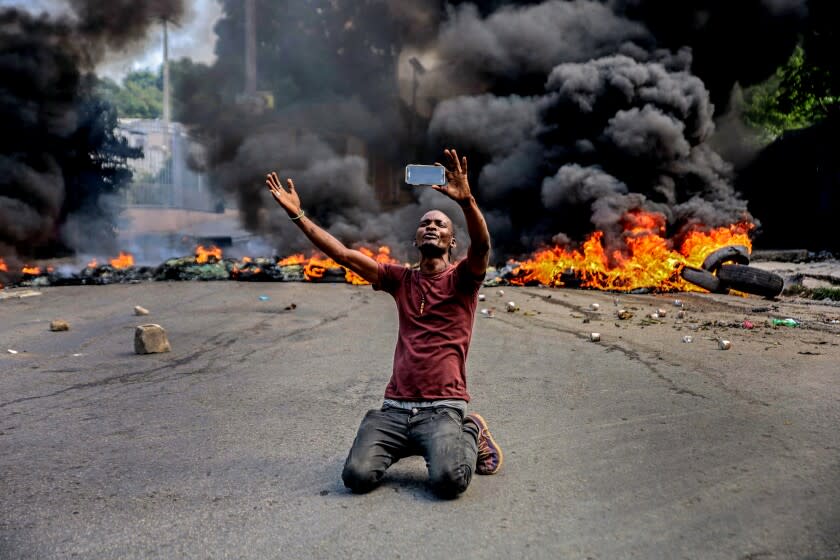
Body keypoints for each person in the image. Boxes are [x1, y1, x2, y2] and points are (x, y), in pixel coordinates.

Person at [265, 148, 502, 498]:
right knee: (357, 477)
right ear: (416, 239)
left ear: (452, 241)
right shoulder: (400, 279)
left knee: (449, 481)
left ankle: (470, 431)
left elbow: (482, 247)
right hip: (395, 409)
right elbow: (344, 255)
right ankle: (404, 441)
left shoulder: (463, 280)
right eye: (425, 223)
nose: (431, 226)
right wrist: (299, 215)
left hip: (443, 408)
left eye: (440, 224)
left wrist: (467, 202)